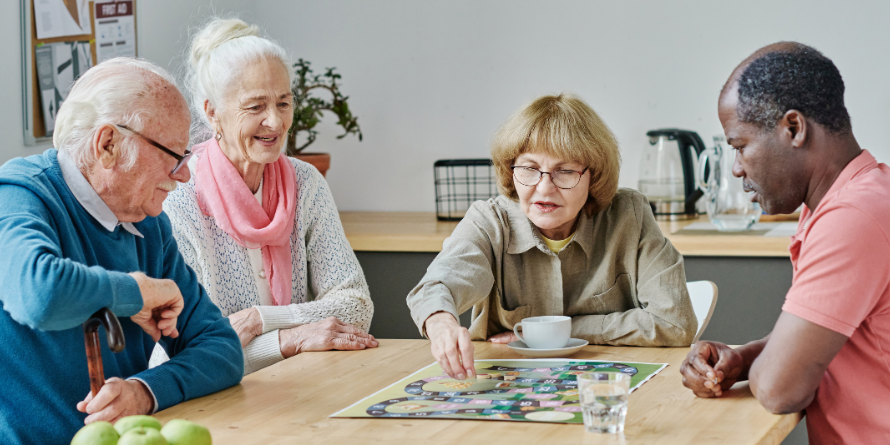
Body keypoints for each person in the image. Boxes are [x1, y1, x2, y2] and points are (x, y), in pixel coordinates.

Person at [0, 58, 243, 444]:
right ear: (108, 143)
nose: (184, 173)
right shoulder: (19, 194)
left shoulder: (147, 223)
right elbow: (38, 294)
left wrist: (144, 392)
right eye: (174, 155)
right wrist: (138, 292)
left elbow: (221, 349)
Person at [679, 42, 890, 444]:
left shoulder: (853, 218)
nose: (737, 168)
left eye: (740, 146)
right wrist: (746, 357)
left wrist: (770, 366)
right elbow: (838, 335)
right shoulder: (856, 197)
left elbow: (780, 390)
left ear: (794, 129)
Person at [408, 93, 697, 380]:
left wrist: (559, 332)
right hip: (511, 385)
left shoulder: (629, 215)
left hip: (607, 387)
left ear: (593, 177)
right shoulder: (489, 221)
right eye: (529, 169)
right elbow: (436, 286)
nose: (544, 188)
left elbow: (675, 323)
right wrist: (441, 323)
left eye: (565, 171)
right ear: (511, 171)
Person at [157, 18, 376, 375]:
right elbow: (182, 355)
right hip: (215, 401)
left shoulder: (306, 182)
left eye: (284, 103)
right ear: (212, 111)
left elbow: (355, 306)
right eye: (255, 106)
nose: (274, 122)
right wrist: (290, 340)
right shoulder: (178, 200)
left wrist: (257, 320)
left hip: (302, 386)